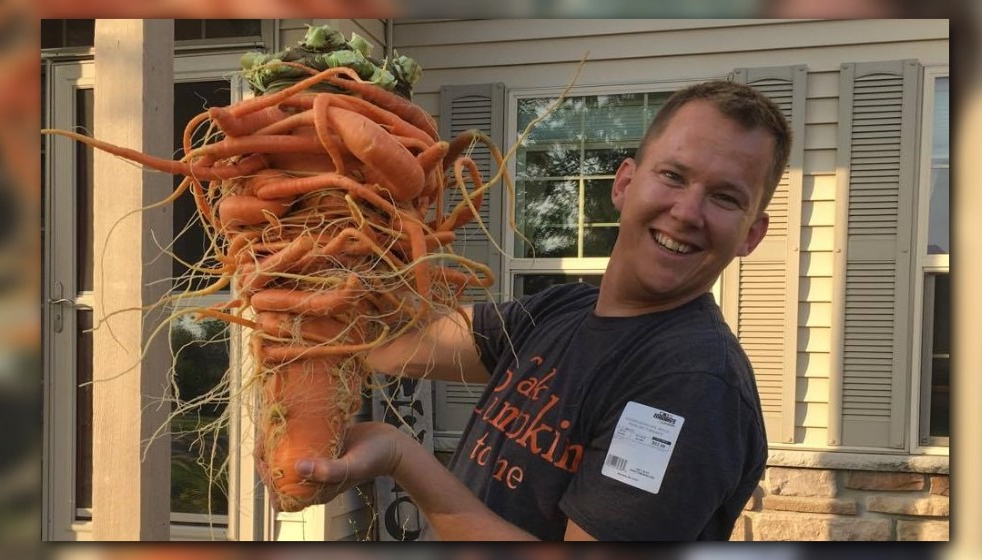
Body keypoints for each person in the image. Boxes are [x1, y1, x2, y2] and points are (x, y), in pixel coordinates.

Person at [294, 80, 792, 541]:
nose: (686, 212)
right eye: (673, 176)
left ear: (751, 234)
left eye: (724, 198)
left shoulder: (692, 382)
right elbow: (393, 345)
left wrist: (401, 456)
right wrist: (312, 236)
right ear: (623, 184)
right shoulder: (563, 310)